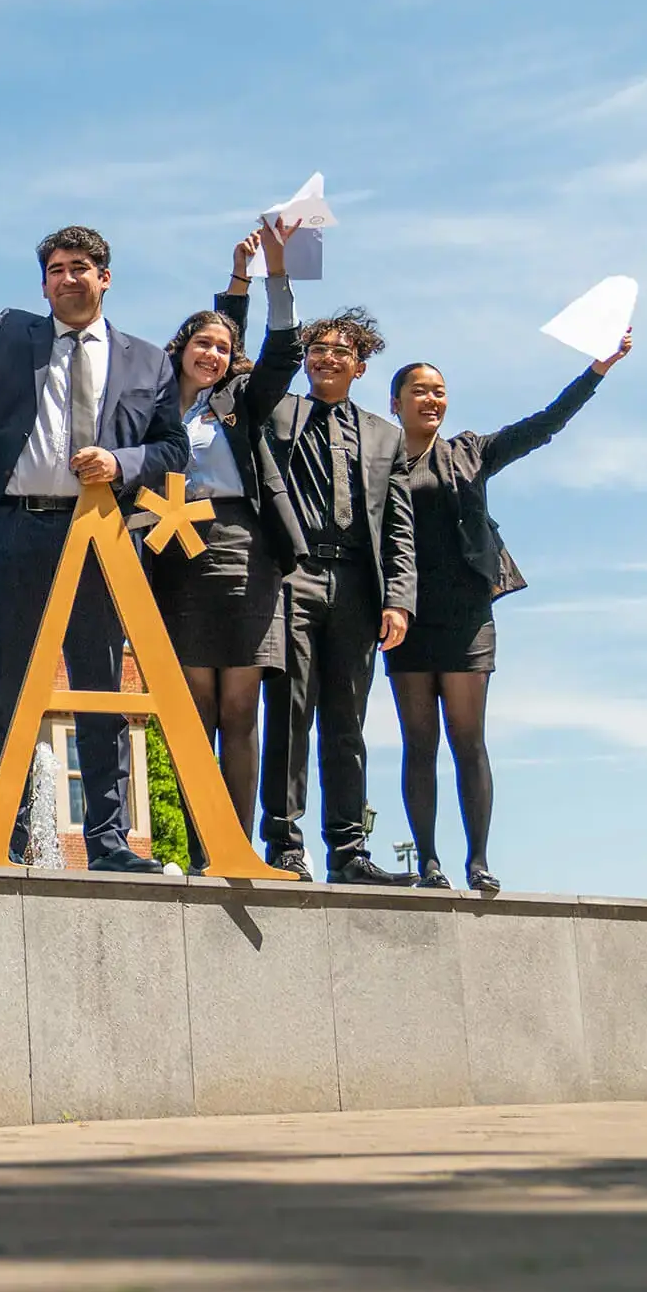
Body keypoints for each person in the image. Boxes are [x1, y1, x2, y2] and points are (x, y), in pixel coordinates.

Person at [0, 198, 189, 874]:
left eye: (79, 268)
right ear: (42, 284)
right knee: (6, 690)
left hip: (100, 537)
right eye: (54, 271)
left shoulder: (149, 362)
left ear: (105, 277)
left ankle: (111, 844)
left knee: (101, 691)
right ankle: (8, 836)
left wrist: (124, 462)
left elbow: (173, 448)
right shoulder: (9, 335)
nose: (66, 280)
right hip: (14, 531)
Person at [386, 332, 633, 892]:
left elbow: (544, 425)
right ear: (394, 401)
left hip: (468, 615)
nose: (431, 400)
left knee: (468, 739)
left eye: (439, 391)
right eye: (419, 391)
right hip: (407, 617)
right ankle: (427, 861)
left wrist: (596, 371)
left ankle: (478, 860)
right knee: (418, 744)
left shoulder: (471, 451)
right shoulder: (379, 458)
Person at [146, 223, 304, 858]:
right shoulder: (150, 403)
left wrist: (268, 274)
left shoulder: (240, 398)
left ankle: (238, 847)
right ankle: (202, 847)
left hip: (242, 550)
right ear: (181, 347)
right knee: (195, 711)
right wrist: (230, 287)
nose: (211, 353)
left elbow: (281, 353)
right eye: (201, 343)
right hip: (174, 550)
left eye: (222, 346)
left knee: (240, 709)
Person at [253, 307, 418, 883]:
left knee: (347, 725)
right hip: (292, 579)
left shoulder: (385, 435)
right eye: (316, 350)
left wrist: (398, 598)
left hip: (357, 587)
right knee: (289, 715)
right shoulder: (278, 410)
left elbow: (398, 524)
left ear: (361, 365)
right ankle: (285, 844)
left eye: (339, 352)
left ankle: (349, 852)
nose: (326, 359)